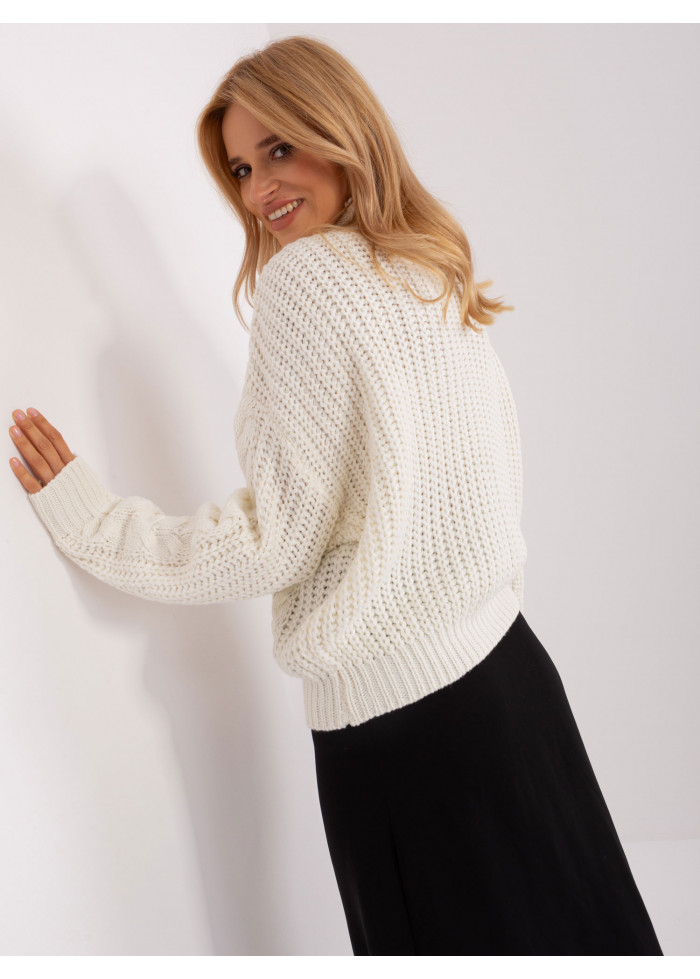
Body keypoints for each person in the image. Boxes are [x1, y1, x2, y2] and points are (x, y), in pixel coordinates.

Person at [7, 36, 663, 956]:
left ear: (338, 128)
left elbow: (276, 539)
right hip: (514, 684)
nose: (258, 190)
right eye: (242, 167)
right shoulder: (426, 258)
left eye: (280, 149)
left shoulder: (304, 283)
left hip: (410, 735)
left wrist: (92, 520)